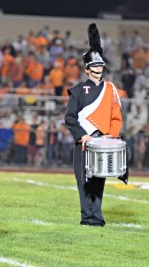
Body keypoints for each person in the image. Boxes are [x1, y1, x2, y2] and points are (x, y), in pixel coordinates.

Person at [65, 23, 127, 227]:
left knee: (99, 180)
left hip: (104, 141)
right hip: (85, 141)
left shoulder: (111, 89)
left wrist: (112, 135)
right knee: (84, 180)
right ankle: (87, 217)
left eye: (100, 66)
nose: (98, 69)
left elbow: (116, 116)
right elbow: (70, 118)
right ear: (87, 69)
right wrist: (83, 136)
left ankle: (97, 216)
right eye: (94, 66)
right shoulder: (77, 90)